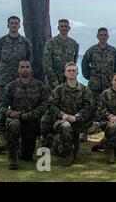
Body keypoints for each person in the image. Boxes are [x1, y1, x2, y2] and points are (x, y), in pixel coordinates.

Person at [0, 16, 32, 155]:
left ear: (19, 26)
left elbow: (28, 58)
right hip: (3, 79)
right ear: (8, 25)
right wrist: (2, 71)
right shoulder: (1, 42)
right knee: (1, 108)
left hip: (19, 80)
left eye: (16, 23)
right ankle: (2, 136)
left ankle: (16, 137)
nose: (14, 25)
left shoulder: (25, 42)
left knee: (19, 106)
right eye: (12, 23)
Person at [0, 61, 47, 170]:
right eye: (22, 67)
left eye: (27, 67)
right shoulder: (11, 86)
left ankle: (13, 148)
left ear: (31, 69)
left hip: (32, 121)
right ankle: (12, 158)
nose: (25, 69)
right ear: (18, 70)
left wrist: (31, 114)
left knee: (26, 157)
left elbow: (45, 105)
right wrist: (10, 113)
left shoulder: (40, 86)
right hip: (16, 119)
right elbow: (1, 105)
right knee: (14, 124)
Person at [41, 19, 79, 147]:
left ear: (69, 28)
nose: (64, 28)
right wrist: (55, 82)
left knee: (68, 109)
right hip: (52, 84)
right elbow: (47, 65)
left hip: (68, 84)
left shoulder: (74, 44)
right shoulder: (50, 43)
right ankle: (47, 136)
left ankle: (67, 136)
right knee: (51, 109)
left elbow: (73, 63)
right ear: (58, 28)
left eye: (66, 26)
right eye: (62, 26)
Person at [82, 28, 116, 145]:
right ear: (97, 36)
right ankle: (85, 133)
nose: (103, 37)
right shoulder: (92, 50)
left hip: (108, 86)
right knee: (90, 109)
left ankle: (107, 136)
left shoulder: (113, 51)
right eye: (101, 35)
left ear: (108, 36)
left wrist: (112, 79)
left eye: (105, 35)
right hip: (94, 86)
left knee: (108, 111)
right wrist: (89, 76)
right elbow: (84, 63)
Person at [49, 62, 92, 166]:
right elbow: (52, 106)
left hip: (77, 122)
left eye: (73, 70)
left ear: (77, 72)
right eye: (69, 71)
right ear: (65, 73)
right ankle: (69, 154)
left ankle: (60, 147)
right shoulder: (58, 90)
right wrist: (63, 115)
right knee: (66, 126)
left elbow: (88, 107)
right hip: (61, 121)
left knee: (74, 149)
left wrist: (76, 116)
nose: (71, 72)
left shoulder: (84, 89)